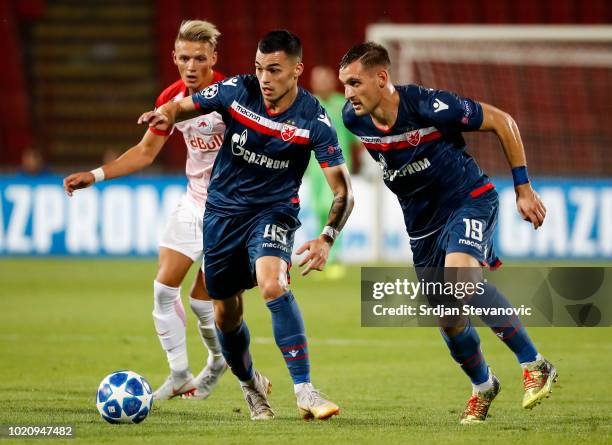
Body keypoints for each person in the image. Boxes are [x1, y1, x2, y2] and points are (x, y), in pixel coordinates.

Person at [139, 30, 354, 421]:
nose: (264, 78)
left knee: (273, 284)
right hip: (221, 216)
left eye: (274, 70)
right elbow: (183, 105)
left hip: (273, 212)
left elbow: (343, 191)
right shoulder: (237, 90)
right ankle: (252, 387)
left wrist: (327, 237)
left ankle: (305, 389)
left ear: (296, 71)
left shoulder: (315, 120)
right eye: (259, 68)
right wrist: (165, 113)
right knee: (226, 314)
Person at [339, 42, 557, 425]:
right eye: (344, 85)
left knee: (460, 280)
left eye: (355, 83)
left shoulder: (429, 105)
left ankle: (535, 363)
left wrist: (523, 188)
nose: (348, 93)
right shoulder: (353, 120)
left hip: (468, 199)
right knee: (448, 317)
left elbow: (502, 121)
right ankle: (483, 386)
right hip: (422, 227)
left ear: (382, 77)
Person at [63, 20, 228, 401]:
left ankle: (221, 361)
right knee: (162, 290)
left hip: (232, 212)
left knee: (204, 303)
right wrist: (97, 174)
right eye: (184, 57)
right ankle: (181, 373)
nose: (190, 66)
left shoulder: (230, 96)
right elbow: (145, 152)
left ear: (213, 58)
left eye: (199, 58)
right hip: (193, 204)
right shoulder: (170, 98)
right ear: (174, 57)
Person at [306, 66, 362, 278]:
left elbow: (356, 139)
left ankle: (335, 257)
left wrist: (359, 164)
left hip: (339, 166)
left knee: (336, 209)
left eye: (325, 79)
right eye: (317, 79)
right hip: (315, 168)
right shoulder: (308, 105)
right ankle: (320, 255)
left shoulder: (344, 106)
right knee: (319, 210)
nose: (322, 83)